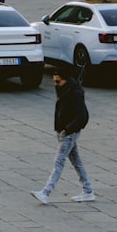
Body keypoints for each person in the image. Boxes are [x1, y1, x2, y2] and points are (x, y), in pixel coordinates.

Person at [31, 67, 94, 204]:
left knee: (58, 162)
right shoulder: (66, 89)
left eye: (58, 82)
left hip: (69, 133)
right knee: (77, 162)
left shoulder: (75, 92)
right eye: (54, 81)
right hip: (64, 132)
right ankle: (88, 190)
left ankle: (46, 192)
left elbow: (83, 116)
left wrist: (67, 129)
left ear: (65, 80)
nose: (55, 84)